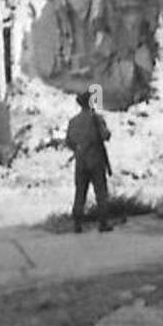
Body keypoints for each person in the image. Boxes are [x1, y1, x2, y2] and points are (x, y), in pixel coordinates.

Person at [65, 89, 113, 233]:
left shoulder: (73, 121)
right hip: (96, 160)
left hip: (81, 161)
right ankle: (103, 223)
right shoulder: (97, 118)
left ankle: (77, 224)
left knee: (80, 192)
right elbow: (106, 136)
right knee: (101, 192)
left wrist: (79, 149)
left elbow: (69, 142)